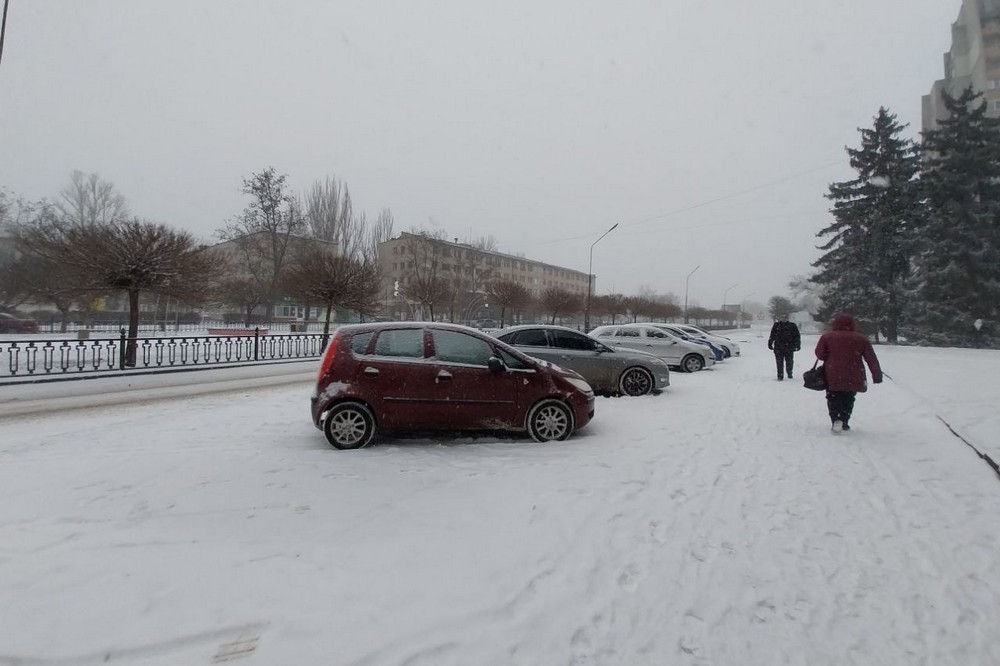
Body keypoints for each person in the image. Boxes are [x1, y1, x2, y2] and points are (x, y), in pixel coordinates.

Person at [814, 312, 883, 433]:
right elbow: (871, 358)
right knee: (849, 397)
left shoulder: (827, 337)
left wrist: (830, 355)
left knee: (833, 397)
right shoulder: (860, 338)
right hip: (854, 372)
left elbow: (820, 354)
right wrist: (876, 375)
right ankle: (845, 420)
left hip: (832, 372)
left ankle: (835, 419)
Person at [767, 312, 800, 380]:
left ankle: (789, 373)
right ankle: (780, 375)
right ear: (780, 318)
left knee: (789, 361)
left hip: (789, 347)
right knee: (779, 362)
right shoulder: (776, 325)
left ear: (788, 318)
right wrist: (770, 343)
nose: (784, 318)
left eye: (785, 317)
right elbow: (772, 335)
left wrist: (798, 345)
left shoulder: (792, 325)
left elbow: (797, 336)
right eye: (782, 317)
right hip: (778, 347)